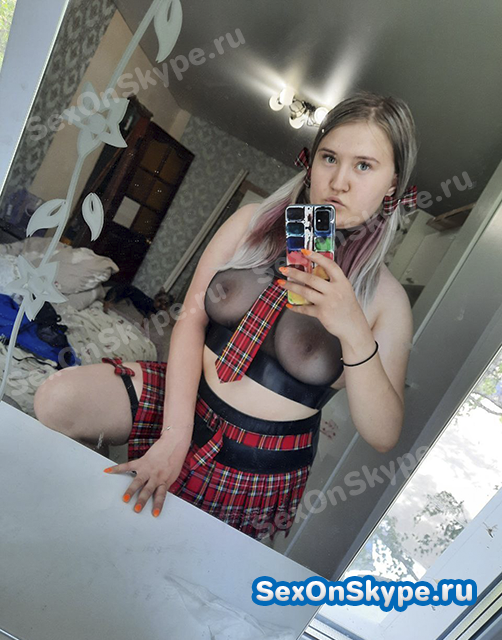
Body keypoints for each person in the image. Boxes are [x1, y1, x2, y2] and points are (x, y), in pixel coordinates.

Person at [34, 90, 417, 541]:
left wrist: (353, 330)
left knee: (169, 557)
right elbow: (191, 319)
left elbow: (383, 434)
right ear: (311, 161)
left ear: (393, 184)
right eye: (329, 158)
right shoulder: (251, 223)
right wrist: (175, 434)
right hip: (185, 396)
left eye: (364, 166)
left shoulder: (386, 299)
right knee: (58, 399)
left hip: (262, 459)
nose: (339, 181)